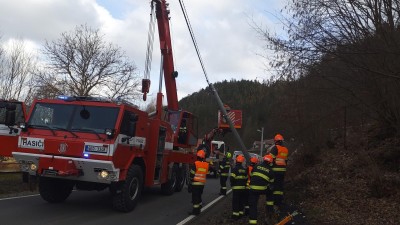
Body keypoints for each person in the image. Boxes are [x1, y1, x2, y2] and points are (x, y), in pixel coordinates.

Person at [248, 154, 274, 225]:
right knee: (270, 191)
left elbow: (251, 175)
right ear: (270, 162)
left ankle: (253, 222)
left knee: (253, 205)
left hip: (252, 189)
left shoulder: (256, 166)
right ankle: (270, 208)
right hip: (262, 189)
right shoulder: (271, 170)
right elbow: (272, 183)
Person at [270, 134, 289, 219]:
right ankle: (280, 202)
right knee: (280, 187)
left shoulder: (275, 148)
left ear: (276, 141)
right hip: (283, 170)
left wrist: (270, 168)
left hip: (276, 170)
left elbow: (271, 159)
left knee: (275, 187)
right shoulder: (285, 149)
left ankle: (275, 203)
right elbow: (286, 160)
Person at [189, 149, 209, 215]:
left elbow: (192, 173)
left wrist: (190, 181)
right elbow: (207, 173)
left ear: (197, 156)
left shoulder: (196, 164)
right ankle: (199, 206)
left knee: (195, 197)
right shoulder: (206, 165)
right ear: (203, 157)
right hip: (202, 184)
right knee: (199, 195)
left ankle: (196, 211)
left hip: (195, 183)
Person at [230, 154, 248, 220]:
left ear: (236, 161)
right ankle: (240, 214)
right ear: (242, 161)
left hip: (236, 189)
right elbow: (246, 178)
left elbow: (232, 178)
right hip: (243, 189)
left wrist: (232, 184)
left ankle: (235, 216)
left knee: (235, 202)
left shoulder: (234, 169)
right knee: (241, 202)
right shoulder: (244, 170)